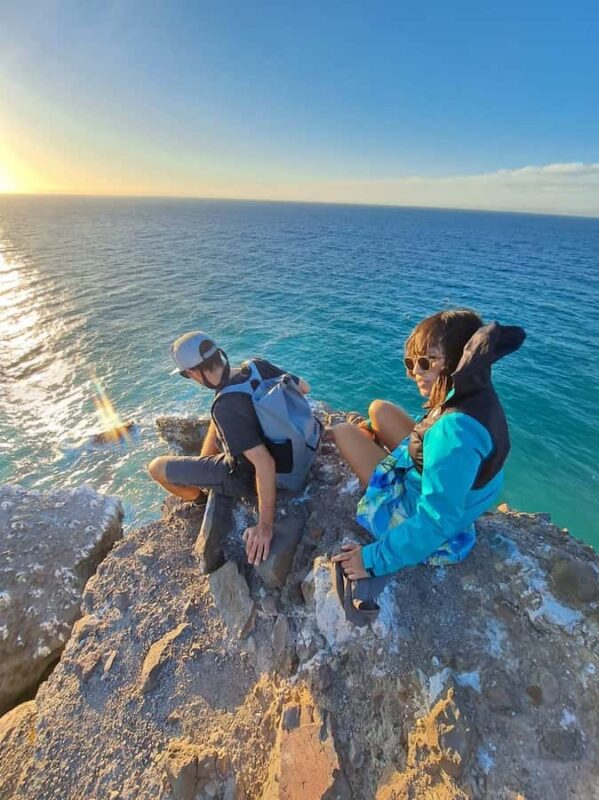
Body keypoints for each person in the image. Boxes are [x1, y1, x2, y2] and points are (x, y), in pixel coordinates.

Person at [331, 309, 526, 582]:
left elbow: (436, 520)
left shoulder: (454, 431)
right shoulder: (477, 396)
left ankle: (362, 443)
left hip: (417, 516)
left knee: (341, 431)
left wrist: (371, 559)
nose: (415, 373)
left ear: (459, 359)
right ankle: (373, 437)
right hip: (447, 487)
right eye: (411, 363)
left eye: (427, 362)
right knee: (379, 409)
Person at [148, 331, 311, 569]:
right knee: (219, 418)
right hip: (298, 452)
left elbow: (264, 464)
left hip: (249, 477)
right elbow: (304, 388)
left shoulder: (225, 407)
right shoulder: (256, 366)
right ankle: (205, 470)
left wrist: (265, 526)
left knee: (156, 467)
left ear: (193, 373)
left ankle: (200, 500)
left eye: (186, 375)